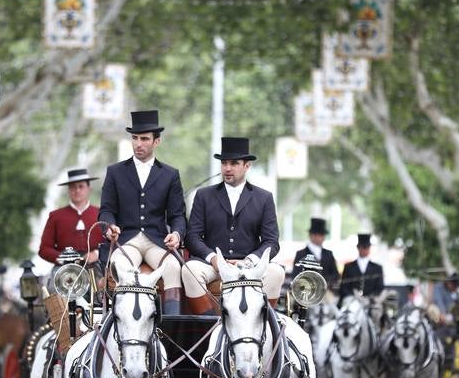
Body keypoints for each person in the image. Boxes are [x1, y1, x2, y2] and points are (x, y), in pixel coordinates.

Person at [183, 136, 285, 314]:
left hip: (249, 267)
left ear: (247, 165)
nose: (227, 168)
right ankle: (211, 327)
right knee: (188, 270)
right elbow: (192, 236)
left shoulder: (264, 198)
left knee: (277, 272)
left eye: (234, 163)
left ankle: (260, 323)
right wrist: (214, 259)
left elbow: (271, 241)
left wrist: (250, 261)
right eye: (224, 163)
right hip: (213, 265)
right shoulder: (204, 195)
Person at [99, 110, 186, 315]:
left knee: (174, 267)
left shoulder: (170, 174)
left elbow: (177, 215)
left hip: (156, 241)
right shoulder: (115, 172)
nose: (138, 143)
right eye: (135, 138)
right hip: (127, 240)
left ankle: (171, 327)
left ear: (157, 142)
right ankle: (125, 325)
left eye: (144, 139)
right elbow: (107, 210)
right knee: (120, 265)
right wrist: (109, 227)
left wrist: (177, 234)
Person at [39, 167, 104, 285]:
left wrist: (97, 254)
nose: (77, 190)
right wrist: (63, 258)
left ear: (89, 189)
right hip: (64, 270)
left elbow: (112, 243)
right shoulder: (56, 216)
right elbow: (44, 249)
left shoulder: (101, 214)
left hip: (96, 268)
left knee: (107, 290)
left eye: (81, 186)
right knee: (54, 291)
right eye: (73, 187)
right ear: (68, 190)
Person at [292, 217, 340, 291]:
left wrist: (324, 281)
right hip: (307, 292)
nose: (322, 237)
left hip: (326, 291)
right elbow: (296, 275)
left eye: (322, 235)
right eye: (319, 234)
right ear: (311, 235)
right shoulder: (301, 254)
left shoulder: (328, 254)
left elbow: (335, 275)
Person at [339, 233, 384, 303]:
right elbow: (344, 287)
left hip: (370, 302)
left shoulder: (377, 268)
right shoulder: (348, 267)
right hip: (352, 300)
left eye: (366, 247)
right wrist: (353, 297)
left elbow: (379, 288)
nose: (364, 250)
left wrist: (369, 298)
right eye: (362, 247)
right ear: (358, 247)